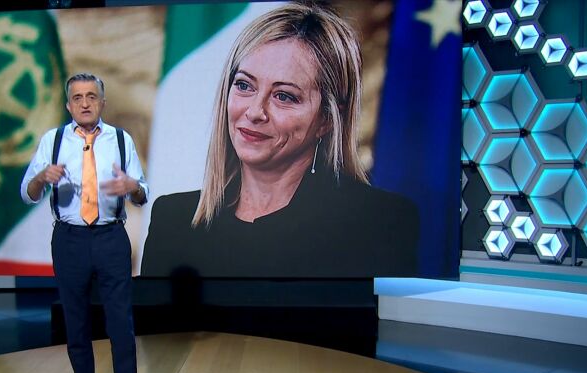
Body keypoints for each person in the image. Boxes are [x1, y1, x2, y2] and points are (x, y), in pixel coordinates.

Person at [141, 2, 418, 278]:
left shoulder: (380, 223)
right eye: (244, 85)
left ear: (327, 119)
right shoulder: (172, 219)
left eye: (284, 96)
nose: (255, 112)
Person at [20, 73, 153, 373]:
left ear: (102, 102)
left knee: (120, 326)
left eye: (91, 96)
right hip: (69, 241)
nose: (84, 103)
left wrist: (133, 187)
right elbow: (27, 192)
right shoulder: (53, 141)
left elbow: (142, 193)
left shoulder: (121, 140)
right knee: (76, 325)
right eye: (77, 97)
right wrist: (41, 178)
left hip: (111, 239)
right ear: (68, 105)